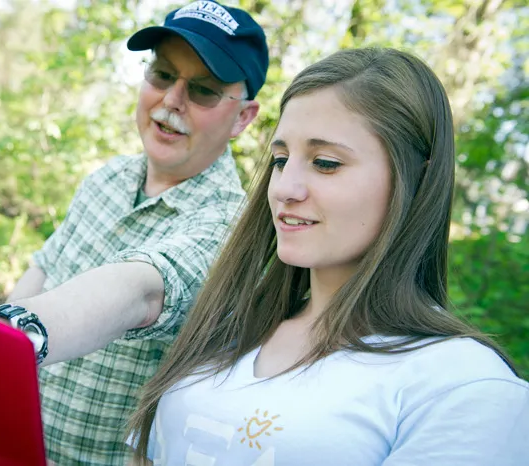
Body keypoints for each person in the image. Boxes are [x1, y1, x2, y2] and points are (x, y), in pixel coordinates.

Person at [126, 47, 529, 465]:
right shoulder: (226, 328)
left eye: (325, 163)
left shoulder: (462, 385)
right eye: (281, 160)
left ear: (416, 180)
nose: (285, 188)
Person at [0, 1, 270, 465]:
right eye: (162, 74)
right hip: (5, 443)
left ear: (243, 118)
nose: (171, 100)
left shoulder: (231, 230)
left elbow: (141, 293)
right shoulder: (106, 179)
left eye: (204, 91)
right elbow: (41, 272)